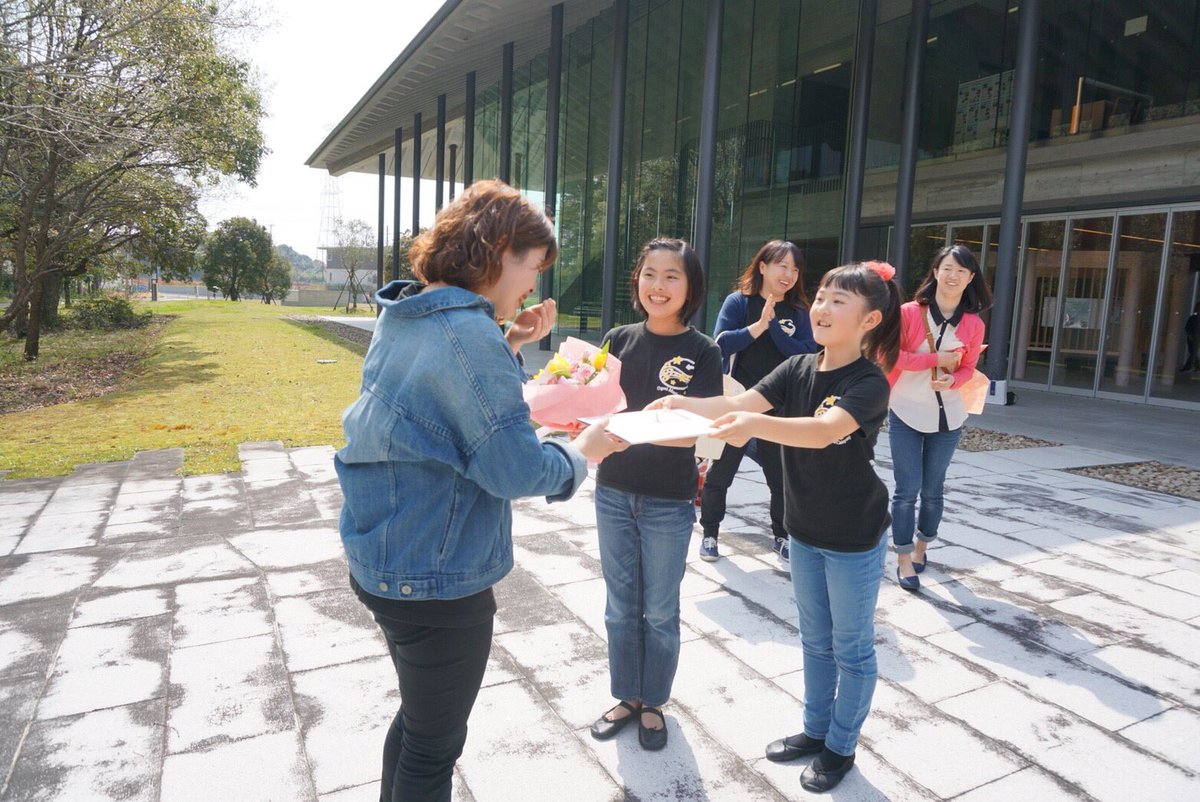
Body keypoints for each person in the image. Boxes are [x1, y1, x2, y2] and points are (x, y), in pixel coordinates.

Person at [334, 180, 626, 802]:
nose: (531, 285)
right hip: (435, 580)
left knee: (420, 724)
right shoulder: (468, 337)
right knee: (434, 747)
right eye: (531, 266)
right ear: (496, 247)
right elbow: (513, 468)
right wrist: (582, 451)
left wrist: (510, 340)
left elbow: (439, 399)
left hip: (386, 553)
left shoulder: (411, 310)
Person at [650, 261, 901, 793]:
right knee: (814, 640)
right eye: (823, 296)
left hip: (855, 534)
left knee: (850, 646)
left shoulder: (868, 382)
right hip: (805, 525)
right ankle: (815, 731)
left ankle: (841, 747)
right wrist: (685, 404)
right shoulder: (799, 368)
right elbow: (737, 402)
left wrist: (752, 424)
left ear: (870, 319)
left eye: (839, 301)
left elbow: (822, 430)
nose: (823, 307)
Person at [588, 238, 723, 752]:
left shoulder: (703, 351)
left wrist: (631, 429)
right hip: (614, 493)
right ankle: (626, 696)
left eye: (672, 276)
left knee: (660, 610)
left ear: (690, 288)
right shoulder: (618, 340)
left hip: (668, 499)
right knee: (620, 607)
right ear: (637, 280)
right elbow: (598, 406)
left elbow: (694, 434)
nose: (658, 286)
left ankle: (654, 702)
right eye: (650, 274)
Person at [699, 240, 818, 563]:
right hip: (738, 402)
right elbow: (720, 344)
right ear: (763, 266)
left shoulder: (797, 311)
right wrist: (757, 327)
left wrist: (775, 328)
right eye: (782, 266)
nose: (789, 274)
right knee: (720, 474)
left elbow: (806, 353)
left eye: (795, 269)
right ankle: (709, 533)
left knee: (780, 479)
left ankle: (781, 536)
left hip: (779, 410)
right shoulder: (739, 302)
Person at [888, 244, 992, 591]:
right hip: (905, 409)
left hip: (949, 418)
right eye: (947, 268)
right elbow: (892, 357)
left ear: (970, 279)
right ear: (935, 272)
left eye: (961, 271)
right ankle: (903, 559)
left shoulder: (974, 324)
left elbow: (968, 370)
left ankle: (921, 548)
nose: (953, 276)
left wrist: (952, 378)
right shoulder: (908, 313)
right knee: (906, 490)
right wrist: (934, 362)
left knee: (933, 490)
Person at [1182, 301, 1199, 372]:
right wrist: (1190, 335)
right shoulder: (1193, 318)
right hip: (1192, 337)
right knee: (1193, 352)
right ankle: (1196, 366)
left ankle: (1187, 367)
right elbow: (1187, 327)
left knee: (1193, 353)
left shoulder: (1193, 318)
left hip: (1196, 337)